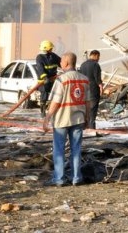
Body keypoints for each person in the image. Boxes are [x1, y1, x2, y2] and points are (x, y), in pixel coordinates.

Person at [42, 52, 91, 187]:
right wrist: (87, 117)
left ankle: (59, 179)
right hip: (78, 119)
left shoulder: (61, 80)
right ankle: (76, 178)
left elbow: (56, 101)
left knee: (59, 149)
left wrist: (47, 118)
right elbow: (87, 101)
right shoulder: (84, 79)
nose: (60, 63)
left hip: (62, 119)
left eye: (62, 61)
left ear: (67, 62)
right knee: (76, 149)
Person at [36, 40, 62, 117]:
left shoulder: (53, 55)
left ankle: (53, 110)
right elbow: (40, 69)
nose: (51, 49)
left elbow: (61, 62)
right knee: (44, 95)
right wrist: (45, 77)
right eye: (50, 48)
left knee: (56, 94)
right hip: (43, 80)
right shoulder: (39, 57)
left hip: (53, 79)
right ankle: (43, 112)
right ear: (46, 49)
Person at [79, 50, 103, 129]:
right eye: (98, 57)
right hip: (93, 91)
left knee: (85, 110)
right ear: (95, 55)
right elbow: (97, 79)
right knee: (92, 111)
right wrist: (101, 88)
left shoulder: (82, 65)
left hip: (84, 90)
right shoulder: (96, 65)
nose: (99, 59)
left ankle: (84, 128)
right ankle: (92, 128)